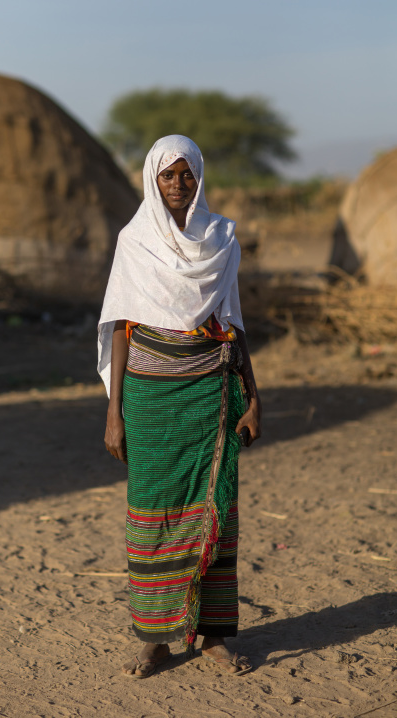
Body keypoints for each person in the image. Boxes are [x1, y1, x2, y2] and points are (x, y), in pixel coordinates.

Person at [97, 135, 261, 678]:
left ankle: (213, 634)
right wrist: (113, 411)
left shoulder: (221, 238)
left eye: (186, 174)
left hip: (211, 394)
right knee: (151, 507)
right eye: (168, 175)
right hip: (147, 398)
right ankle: (155, 637)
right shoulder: (134, 241)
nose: (178, 184)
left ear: (200, 177)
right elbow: (123, 327)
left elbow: (233, 323)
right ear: (152, 179)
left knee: (217, 509)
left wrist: (254, 397)